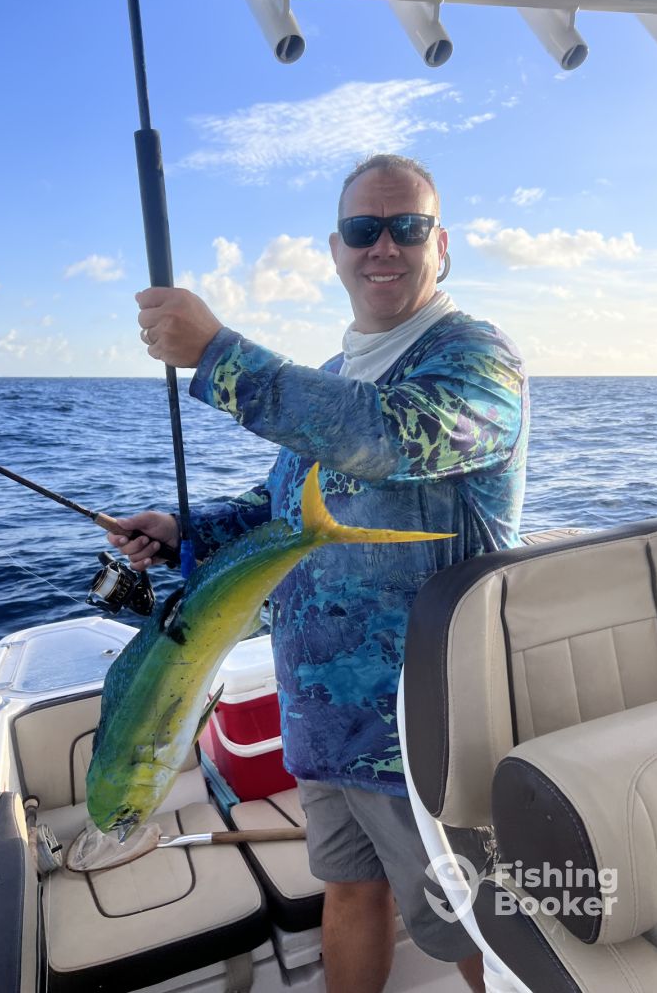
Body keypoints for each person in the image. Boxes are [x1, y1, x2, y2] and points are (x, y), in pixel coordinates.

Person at [109, 154, 528, 993]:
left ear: (441, 246)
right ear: (336, 250)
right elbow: (286, 508)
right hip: (320, 714)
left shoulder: (480, 361)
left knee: (468, 922)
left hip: (424, 724)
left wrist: (218, 355)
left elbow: (388, 436)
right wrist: (186, 528)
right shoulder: (333, 378)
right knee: (349, 887)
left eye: (407, 227)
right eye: (363, 229)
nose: (384, 246)